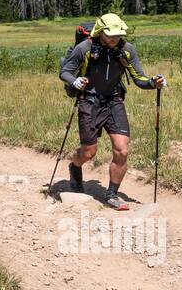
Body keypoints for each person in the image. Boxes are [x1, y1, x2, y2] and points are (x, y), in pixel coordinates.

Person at [58, 12, 166, 210]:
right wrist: (75, 81)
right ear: (100, 32)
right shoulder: (85, 48)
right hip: (89, 101)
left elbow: (139, 79)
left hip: (114, 101)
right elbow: (64, 72)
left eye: (118, 35)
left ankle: (112, 194)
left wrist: (153, 82)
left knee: (122, 149)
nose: (115, 39)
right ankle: (75, 166)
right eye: (110, 35)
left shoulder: (126, 50)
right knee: (89, 152)